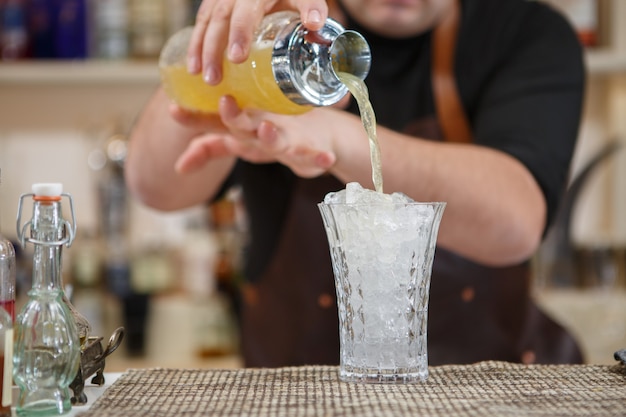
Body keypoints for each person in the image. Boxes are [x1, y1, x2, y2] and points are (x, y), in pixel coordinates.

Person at [125, 0, 586, 367]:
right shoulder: (281, 30)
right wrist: (233, 45)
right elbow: (156, 184)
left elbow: (515, 222)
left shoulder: (524, 31)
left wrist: (339, 138)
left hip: (492, 393)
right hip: (294, 395)